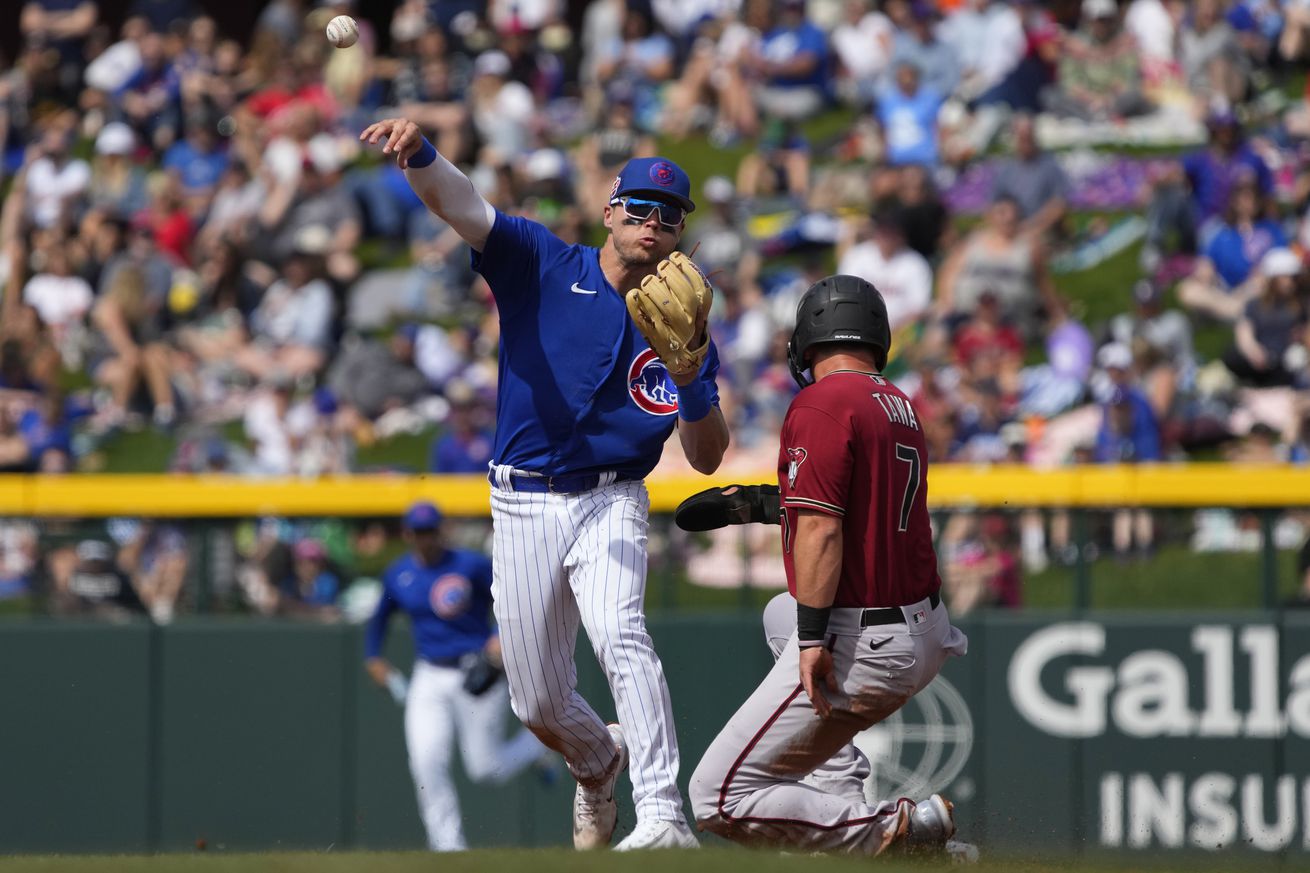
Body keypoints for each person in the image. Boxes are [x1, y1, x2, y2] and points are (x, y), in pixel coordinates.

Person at [358, 118, 729, 850]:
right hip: (522, 500)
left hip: (614, 496)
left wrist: (690, 378)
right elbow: (463, 205)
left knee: (622, 634)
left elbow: (709, 455)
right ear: (609, 211)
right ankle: (598, 763)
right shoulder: (543, 261)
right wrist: (422, 155)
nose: (653, 223)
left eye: (670, 214)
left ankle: (662, 814)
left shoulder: (684, 328)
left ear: (682, 231)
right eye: (640, 208)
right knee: (536, 700)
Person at [688, 275, 969, 856]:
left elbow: (822, 524)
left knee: (717, 797)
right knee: (778, 613)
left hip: (863, 638)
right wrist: (769, 504)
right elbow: (861, 503)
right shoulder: (899, 404)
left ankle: (898, 832)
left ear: (806, 338)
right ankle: (842, 789)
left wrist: (814, 638)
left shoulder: (821, 401)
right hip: (922, 626)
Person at [364, 501, 549, 852]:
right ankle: (448, 848)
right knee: (425, 760)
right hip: (429, 674)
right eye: (418, 532)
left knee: (486, 769)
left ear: (441, 530)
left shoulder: (469, 564)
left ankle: (540, 745)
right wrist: (374, 656)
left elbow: (510, 596)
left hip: (476, 670)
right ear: (407, 534)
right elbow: (379, 620)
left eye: (430, 531)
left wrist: (498, 633)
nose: (425, 539)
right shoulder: (399, 574)